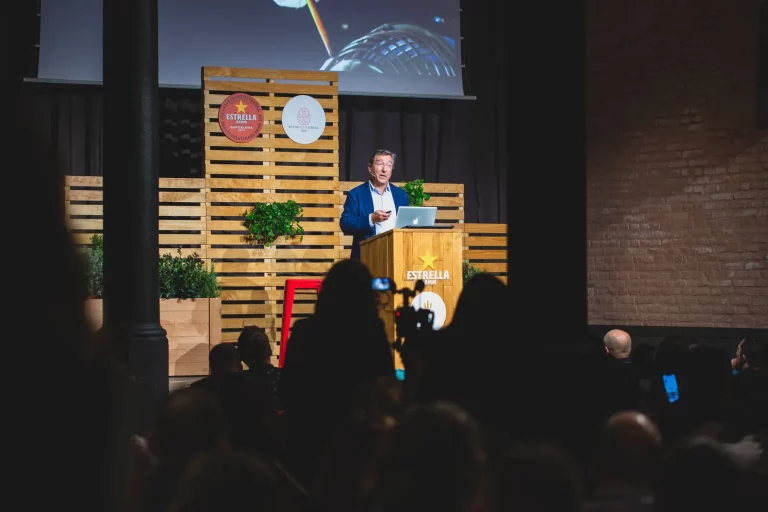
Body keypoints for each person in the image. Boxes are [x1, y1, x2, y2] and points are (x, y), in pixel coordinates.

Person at [340, 149, 410, 259]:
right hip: (367, 256)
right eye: (380, 164)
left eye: (389, 165)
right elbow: (345, 224)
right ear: (370, 168)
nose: (384, 169)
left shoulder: (401, 195)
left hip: (396, 255)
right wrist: (371, 218)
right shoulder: (356, 194)